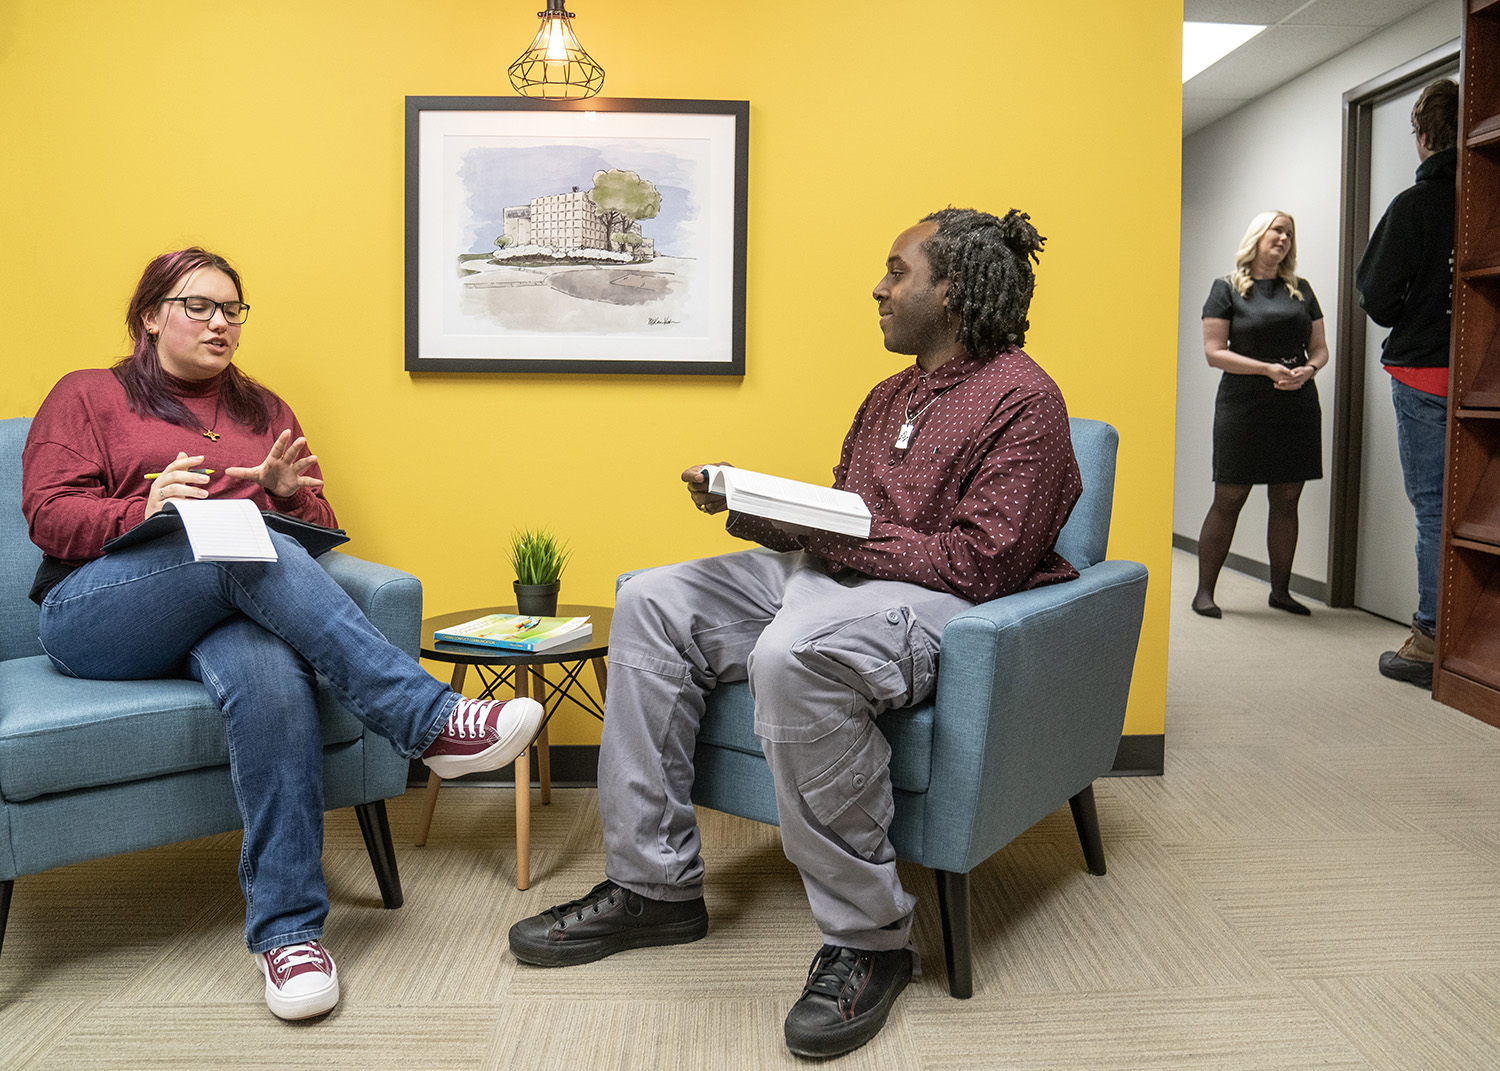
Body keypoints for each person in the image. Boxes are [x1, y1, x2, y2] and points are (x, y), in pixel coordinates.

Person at [507, 209, 1082, 1059]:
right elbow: (844, 516)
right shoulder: (887, 394)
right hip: (837, 575)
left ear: (952, 290)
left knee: (793, 653)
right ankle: (655, 887)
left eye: (897, 270)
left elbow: (982, 562)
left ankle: (872, 939)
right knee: (653, 599)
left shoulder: (1026, 401)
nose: (880, 288)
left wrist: (832, 537)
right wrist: (760, 507)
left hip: (941, 601)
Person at [20, 248, 546, 1021]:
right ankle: (429, 721)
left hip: (225, 613)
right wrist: (146, 509)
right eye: (199, 305)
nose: (221, 322)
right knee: (231, 545)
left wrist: (289, 498)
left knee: (272, 674)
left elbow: (316, 538)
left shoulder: (265, 410)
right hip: (96, 615)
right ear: (150, 315)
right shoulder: (88, 396)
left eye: (233, 309)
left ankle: (290, 934)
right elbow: (46, 514)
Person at [1356, 79, 1459, 688]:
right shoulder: (1485, 199)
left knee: (1434, 509)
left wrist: (1410, 309)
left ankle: (1428, 639)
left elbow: (1375, 294)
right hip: (1481, 380)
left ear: (1423, 137)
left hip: (1423, 377)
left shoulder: (1413, 207)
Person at [1191, 210, 1329, 618]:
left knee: (1287, 498)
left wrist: (1310, 369)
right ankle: (1204, 592)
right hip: (1243, 404)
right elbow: (1214, 353)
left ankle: (1281, 592)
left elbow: (1320, 348)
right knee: (1229, 496)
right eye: (1278, 230)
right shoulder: (1227, 288)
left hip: (1296, 403)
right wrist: (1266, 368)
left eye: (1290, 233)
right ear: (1258, 235)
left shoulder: (1301, 289)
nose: (1284, 238)